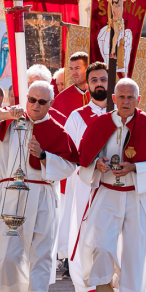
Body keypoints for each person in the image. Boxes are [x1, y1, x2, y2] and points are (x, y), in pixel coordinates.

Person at [0, 80, 78, 292]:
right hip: (11, 192)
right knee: (9, 252)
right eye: (31, 99)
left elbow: (69, 165)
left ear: (50, 104)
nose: (35, 105)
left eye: (42, 101)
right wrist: (6, 113)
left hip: (41, 192)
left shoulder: (56, 130)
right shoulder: (10, 121)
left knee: (41, 254)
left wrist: (44, 155)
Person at [73, 78, 146, 292]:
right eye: (121, 97)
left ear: (138, 100)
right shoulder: (100, 124)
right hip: (108, 193)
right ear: (113, 99)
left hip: (138, 196)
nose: (126, 101)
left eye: (131, 97)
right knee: (102, 246)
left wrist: (135, 167)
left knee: (134, 252)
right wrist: (98, 164)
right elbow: (85, 158)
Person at [61, 61, 111, 292]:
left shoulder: (124, 113)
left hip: (118, 186)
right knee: (88, 238)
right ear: (87, 85)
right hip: (88, 186)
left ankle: (115, 290)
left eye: (103, 79)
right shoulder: (77, 117)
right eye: (94, 80)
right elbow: (70, 154)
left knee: (117, 239)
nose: (99, 83)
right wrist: (92, 164)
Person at [50, 51, 91, 274]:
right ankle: (67, 256)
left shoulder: (100, 95)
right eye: (71, 68)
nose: (74, 72)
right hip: (71, 168)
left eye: (78, 68)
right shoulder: (63, 99)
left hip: (96, 167)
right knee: (69, 212)